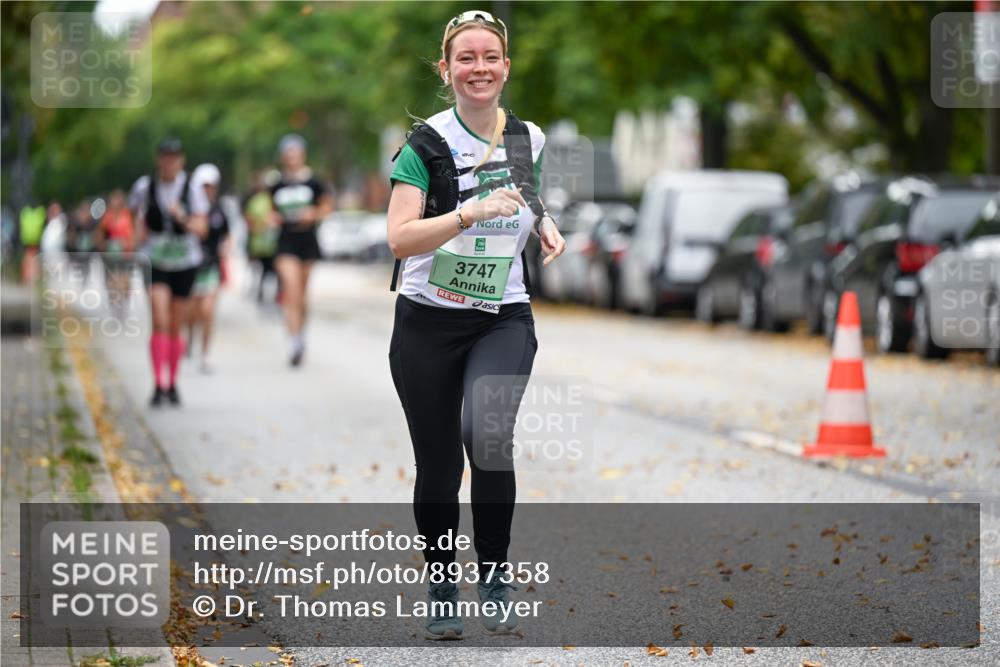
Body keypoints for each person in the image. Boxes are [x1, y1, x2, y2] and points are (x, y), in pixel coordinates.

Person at [386, 10, 565, 640]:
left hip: (501, 316)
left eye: (490, 57)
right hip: (427, 324)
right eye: (466, 58)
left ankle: (493, 573)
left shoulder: (527, 136)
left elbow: (525, 188)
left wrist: (541, 221)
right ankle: (441, 582)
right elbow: (401, 239)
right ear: (447, 69)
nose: (479, 68)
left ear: (506, 66)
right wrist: (467, 215)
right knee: (438, 466)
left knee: (485, 435)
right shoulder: (424, 146)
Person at [130, 138, 207, 407]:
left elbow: (202, 228)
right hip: (155, 262)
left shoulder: (192, 188)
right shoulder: (144, 188)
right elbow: (135, 223)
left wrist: (182, 217)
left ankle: (173, 382)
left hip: (185, 262)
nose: (170, 162)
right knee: (159, 318)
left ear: (181, 160)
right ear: (158, 159)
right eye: (165, 156)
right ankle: (158, 383)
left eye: (175, 157)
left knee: (176, 324)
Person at [186, 164, 229, 373]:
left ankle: (205, 353)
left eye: (211, 186)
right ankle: (190, 337)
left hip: (211, 265)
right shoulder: (188, 208)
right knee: (192, 312)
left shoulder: (219, 210)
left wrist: (226, 250)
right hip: (190, 266)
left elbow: (227, 234)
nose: (207, 190)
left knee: (208, 311)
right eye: (204, 186)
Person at [243, 170, 280, 304]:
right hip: (260, 244)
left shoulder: (277, 200)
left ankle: (275, 293)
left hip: (274, 244)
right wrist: (263, 225)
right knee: (262, 270)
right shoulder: (257, 200)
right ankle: (261, 292)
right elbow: (249, 221)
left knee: (273, 270)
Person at [98, 189, 136, 317]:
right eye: (113, 200)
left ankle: (124, 300)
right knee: (112, 281)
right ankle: (115, 304)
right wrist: (104, 245)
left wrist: (129, 243)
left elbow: (135, 233)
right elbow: (100, 235)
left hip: (126, 254)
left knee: (125, 280)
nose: (115, 203)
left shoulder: (128, 215)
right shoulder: (107, 217)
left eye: (117, 200)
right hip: (111, 255)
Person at [65, 199, 100, 286]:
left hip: (90, 258)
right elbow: (69, 241)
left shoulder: (93, 224)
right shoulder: (74, 224)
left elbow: (97, 240)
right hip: (76, 259)